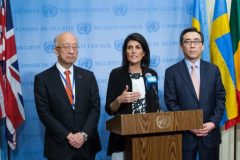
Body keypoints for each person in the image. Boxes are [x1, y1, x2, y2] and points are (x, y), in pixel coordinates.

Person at [34, 32, 101, 160]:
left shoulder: (88, 76)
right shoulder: (43, 79)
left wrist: (83, 135)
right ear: (56, 50)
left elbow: (95, 108)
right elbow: (44, 113)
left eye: (75, 47)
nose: (72, 51)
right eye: (66, 46)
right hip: (59, 146)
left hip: (86, 146)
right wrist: (69, 136)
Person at [164, 27, 226, 160]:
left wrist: (213, 123)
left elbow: (220, 98)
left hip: (210, 134)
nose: (192, 45)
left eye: (196, 41)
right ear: (182, 46)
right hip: (184, 136)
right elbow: (171, 103)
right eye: (188, 42)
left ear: (202, 46)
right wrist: (188, 124)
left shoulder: (213, 70)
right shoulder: (172, 72)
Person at [105, 33, 160, 160]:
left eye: (138, 47)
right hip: (122, 138)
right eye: (130, 48)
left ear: (144, 53)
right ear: (125, 52)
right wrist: (119, 99)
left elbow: (154, 104)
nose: (133, 51)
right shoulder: (116, 74)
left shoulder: (151, 74)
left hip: (148, 136)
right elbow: (109, 109)